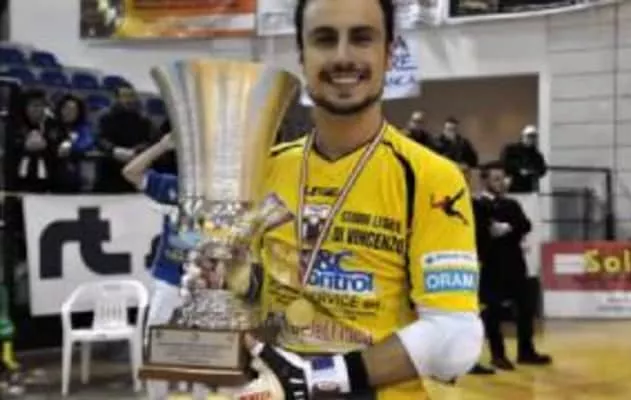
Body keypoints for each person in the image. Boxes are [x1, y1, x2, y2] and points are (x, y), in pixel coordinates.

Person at [186, 0, 484, 398]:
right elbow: (246, 300)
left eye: (362, 38)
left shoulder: (431, 177)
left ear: (389, 54)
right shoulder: (261, 170)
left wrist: (314, 378)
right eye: (325, 40)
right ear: (302, 56)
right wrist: (217, 296)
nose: (343, 56)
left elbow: (455, 338)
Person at [121, 133, 185, 399]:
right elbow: (130, 172)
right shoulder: (171, 185)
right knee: (155, 345)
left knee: (207, 354)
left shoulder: (223, 192)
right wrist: (162, 146)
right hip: (169, 279)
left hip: (211, 284)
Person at [473, 162, 551, 370]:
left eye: (503, 178)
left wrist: (508, 228)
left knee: (525, 307)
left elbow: (525, 225)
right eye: (496, 179)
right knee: (494, 311)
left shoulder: (511, 204)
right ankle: (498, 354)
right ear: (485, 180)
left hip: (515, 263)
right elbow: (479, 233)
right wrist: (495, 231)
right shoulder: (477, 205)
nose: (501, 183)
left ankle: (526, 351)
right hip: (492, 265)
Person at [500, 125, 547, 194]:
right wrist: (518, 170)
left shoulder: (536, 155)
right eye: (529, 137)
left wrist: (531, 172)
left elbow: (542, 170)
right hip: (511, 184)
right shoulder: (511, 150)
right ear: (522, 137)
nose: (531, 139)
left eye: (533, 137)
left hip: (528, 186)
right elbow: (504, 163)